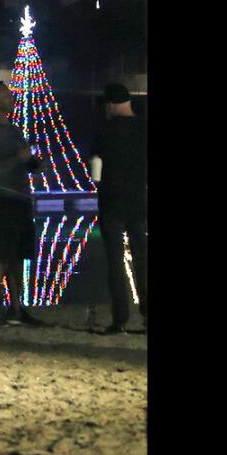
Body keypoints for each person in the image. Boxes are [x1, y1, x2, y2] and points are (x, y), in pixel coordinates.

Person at [0, 81, 45, 327]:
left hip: (21, 199)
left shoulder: (14, 130)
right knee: (0, 255)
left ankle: (17, 308)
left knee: (18, 257)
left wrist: (33, 163)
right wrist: (17, 157)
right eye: (4, 94)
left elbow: (23, 163)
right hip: (1, 198)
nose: (10, 97)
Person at [90, 83, 147, 334]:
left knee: (115, 261)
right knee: (143, 259)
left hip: (112, 201)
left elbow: (96, 169)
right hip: (139, 200)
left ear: (111, 104)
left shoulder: (105, 130)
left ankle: (120, 319)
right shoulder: (144, 128)